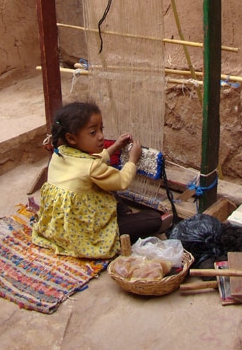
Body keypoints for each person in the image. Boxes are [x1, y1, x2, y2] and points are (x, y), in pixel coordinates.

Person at [32, 100, 168, 259]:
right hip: (83, 231)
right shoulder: (92, 168)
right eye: (93, 132)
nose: (101, 136)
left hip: (61, 225)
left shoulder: (59, 152)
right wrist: (132, 159)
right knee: (152, 219)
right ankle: (123, 222)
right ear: (71, 138)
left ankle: (122, 215)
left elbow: (91, 161)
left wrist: (116, 146)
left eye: (101, 129)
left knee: (108, 194)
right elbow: (122, 181)